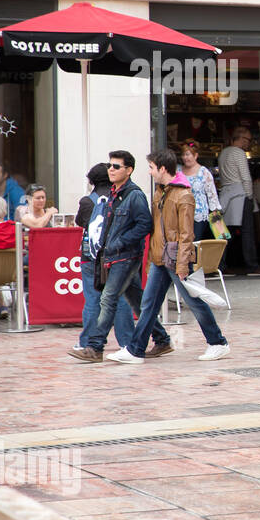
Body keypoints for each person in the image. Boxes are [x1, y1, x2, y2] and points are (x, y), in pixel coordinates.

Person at [108, 149, 230, 364]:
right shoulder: (160, 192)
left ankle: (218, 342)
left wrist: (182, 265)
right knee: (149, 304)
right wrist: (151, 259)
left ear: (162, 169)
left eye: (152, 168)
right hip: (160, 258)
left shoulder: (184, 195)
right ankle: (135, 350)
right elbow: (156, 229)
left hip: (175, 259)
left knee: (194, 302)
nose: (150, 172)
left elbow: (186, 235)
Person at [67, 150, 158, 363]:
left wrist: (119, 242)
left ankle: (94, 347)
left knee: (108, 299)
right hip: (111, 256)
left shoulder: (133, 195)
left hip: (124, 257)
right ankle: (160, 339)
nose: (111, 169)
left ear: (129, 170)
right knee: (137, 301)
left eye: (116, 166)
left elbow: (145, 224)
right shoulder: (113, 195)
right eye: (110, 166)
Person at [73, 163, 135, 352]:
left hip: (91, 257)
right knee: (121, 298)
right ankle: (127, 342)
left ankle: (88, 343)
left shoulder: (87, 201)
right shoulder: (121, 198)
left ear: (91, 180)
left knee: (93, 299)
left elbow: (79, 222)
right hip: (116, 255)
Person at [218, 127, 260, 276]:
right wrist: (250, 196)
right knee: (248, 232)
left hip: (226, 196)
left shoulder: (223, 153)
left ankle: (221, 264)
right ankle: (252, 265)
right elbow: (246, 177)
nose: (250, 143)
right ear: (240, 138)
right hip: (241, 195)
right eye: (248, 140)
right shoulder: (239, 153)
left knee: (224, 233)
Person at [180, 141, 222, 242]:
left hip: (198, 215)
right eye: (183, 155)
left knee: (194, 242)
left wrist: (215, 213)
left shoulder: (204, 172)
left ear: (196, 155)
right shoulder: (179, 172)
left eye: (188, 154)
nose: (185, 157)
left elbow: (212, 195)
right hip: (181, 213)